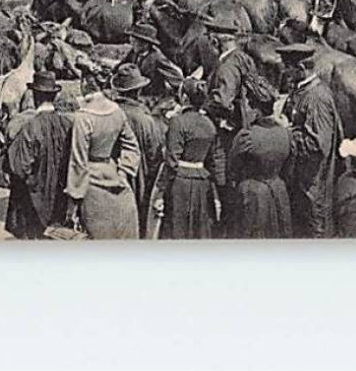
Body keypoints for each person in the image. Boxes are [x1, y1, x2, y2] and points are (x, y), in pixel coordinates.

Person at [64, 72, 142, 240]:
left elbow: (78, 161)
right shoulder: (116, 111)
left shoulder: (83, 117)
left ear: (84, 85)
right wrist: (124, 170)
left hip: (91, 179)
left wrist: (73, 200)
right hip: (113, 172)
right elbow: (132, 146)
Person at [280, 43, 341, 238]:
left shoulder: (316, 97)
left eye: (288, 68)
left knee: (313, 229)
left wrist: (286, 132)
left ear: (301, 69)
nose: (285, 72)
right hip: (302, 179)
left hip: (313, 183)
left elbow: (317, 145)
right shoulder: (303, 90)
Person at [4, 71, 73, 240]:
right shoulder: (68, 124)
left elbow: (19, 166)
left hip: (35, 201)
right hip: (61, 198)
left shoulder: (31, 126)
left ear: (34, 96)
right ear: (55, 97)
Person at [160, 78, 228, 239]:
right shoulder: (209, 124)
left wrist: (161, 191)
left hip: (180, 183)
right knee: (200, 229)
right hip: (202, 183)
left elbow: (172, 160)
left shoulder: (178, 122)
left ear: (184, 98)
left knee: (178, 228)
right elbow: (216, 159)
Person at [225, 82, 293, 239]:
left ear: (255, 109)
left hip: (252, 195)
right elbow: (289, 167)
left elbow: (233, 167)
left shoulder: (247, 136)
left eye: (248, 104)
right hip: (279, 193)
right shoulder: (285, 134)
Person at [111, 63, 167, 236]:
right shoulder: (146, 120)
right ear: (138, 91)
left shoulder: (110, 113)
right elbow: (155, 156)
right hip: (139, 176)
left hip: (113, 172)